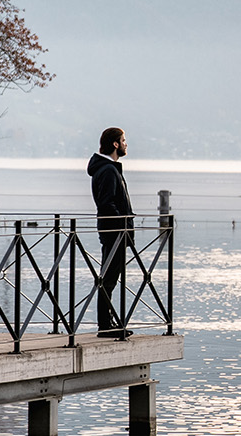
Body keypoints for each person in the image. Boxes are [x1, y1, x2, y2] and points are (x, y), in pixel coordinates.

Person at [87, 127, 134, 339]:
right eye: (123, 140)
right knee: (108, 279)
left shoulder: (109, 168)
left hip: (113, 231)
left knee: (109, 278)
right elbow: (106, 204)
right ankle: (105, 325)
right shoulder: (107, 170)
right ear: (115, 144)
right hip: (114, 232)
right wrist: (122, 224)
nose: (126, 144)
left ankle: (108, 322)